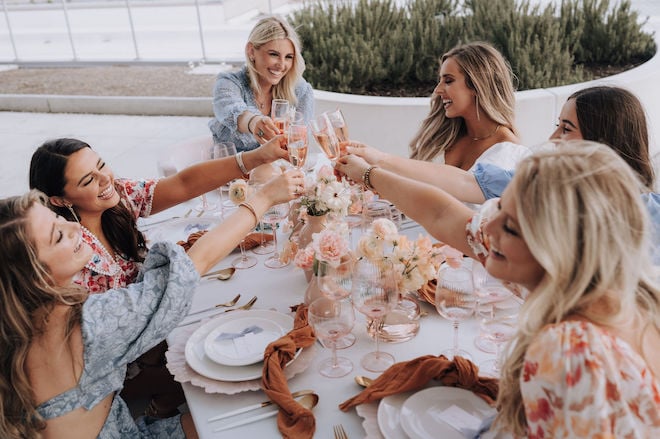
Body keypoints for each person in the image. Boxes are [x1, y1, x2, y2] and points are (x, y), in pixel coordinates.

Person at [335, 142, 660, 437]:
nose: (488, 227)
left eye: (509, 226)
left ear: (555, 247)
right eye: (499, 206)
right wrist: (367, 174)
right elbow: (444, 214)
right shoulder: (619, 289)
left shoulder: (571, 352)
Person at [0, 171, 303, 438]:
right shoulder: (89, 327)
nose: (75, 229)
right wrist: (264, 197)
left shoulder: (15, 325)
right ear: (33, 276)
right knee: (267, 418)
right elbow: (193, 264)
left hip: (126, 426)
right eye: (58, 236)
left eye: (57, 220)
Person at [408, 41, 530, 171]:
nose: (437, 90)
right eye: (440, 81)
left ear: (477, 86)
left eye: (448, 81)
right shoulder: (444, 136)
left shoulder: (507, 151)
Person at [208, 15, 314, 152]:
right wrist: (255, 122)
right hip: (231, 170)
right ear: (251, 51)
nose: (281, 65)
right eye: (273, 54)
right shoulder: (229, 84)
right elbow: (232, 110)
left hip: (278, 170)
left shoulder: (300, 90)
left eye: (288, 57)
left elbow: (298, 142)